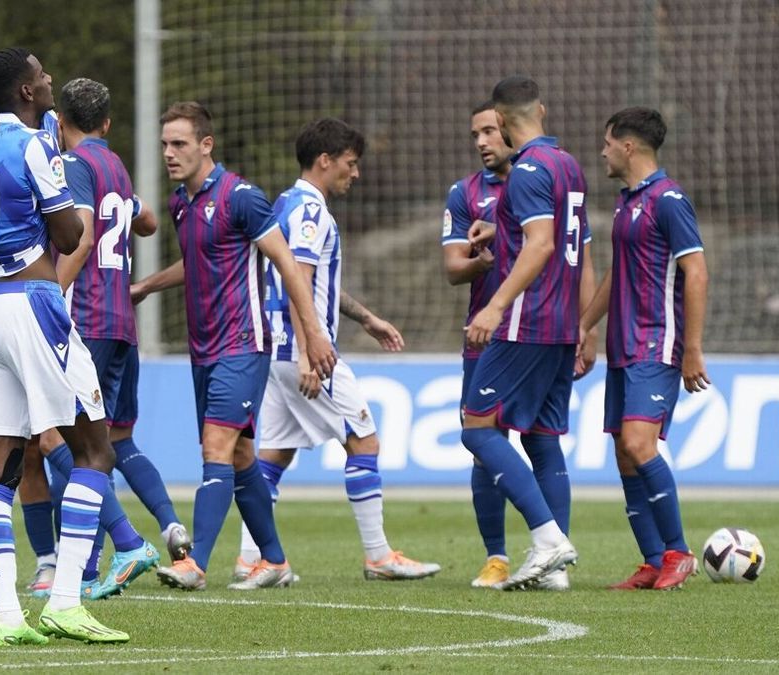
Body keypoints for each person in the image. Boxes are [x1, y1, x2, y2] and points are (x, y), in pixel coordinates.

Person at [0, 46, 129, 644]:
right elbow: (71, 231)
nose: (50, 78)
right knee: (95, 452)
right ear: (26, 92)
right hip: (34, 305)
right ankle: (64, 602)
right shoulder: (34, 145)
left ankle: (9, 618)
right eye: (40, 74)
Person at [132, 101, 337, 591]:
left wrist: (313, 335)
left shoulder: (242, 197)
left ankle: (194, 563)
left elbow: (288, 265)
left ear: (207, 145)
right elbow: (197, 263)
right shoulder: (182, 203)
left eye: (179, 143)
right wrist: (145, 287)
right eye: (164, 144)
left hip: (243, 343)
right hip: (203, 349)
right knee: (242, 456)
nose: (168, 153)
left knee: (216, 447)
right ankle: (275, 560)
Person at [234, 118, 441, 584]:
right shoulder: (310, 212)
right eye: (350, 163)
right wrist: (312, 353)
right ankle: (378, 555)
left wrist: (365, 318)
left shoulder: (284, 203)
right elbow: (299, 279)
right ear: (325, 161)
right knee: (364, 440)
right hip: (304, 351)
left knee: (273, 455)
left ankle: (252, 557)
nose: (356, 173)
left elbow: (311, 280)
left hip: (276, 349)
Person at [27, 77, 190, 600]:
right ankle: (153, 535)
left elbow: (82, 233)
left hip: (88, 318)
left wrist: (51, 293)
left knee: (64, 441)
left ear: (61, 121)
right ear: (107, 123)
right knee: (113, 440)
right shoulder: (114, 165)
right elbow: (144, 219)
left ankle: (113, 549)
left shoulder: (72, 166)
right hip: (123, 320)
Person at [461, 76, 594, 590]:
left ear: (503, 118)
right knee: (542, 439)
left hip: (526, 322)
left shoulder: (527, 171)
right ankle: (553, 572)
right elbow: (566, 235)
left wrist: (495, 306)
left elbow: (540, 245)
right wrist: (504, 228)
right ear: (540, 108)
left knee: (478, 427)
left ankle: (547, 539)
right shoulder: (568, 164)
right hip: (562, 324)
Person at [581, 107, 708, 591]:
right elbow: (618, 272)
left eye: (607, 142)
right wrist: (585, 326)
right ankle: (654, 560)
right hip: (623, 344)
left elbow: (696, 271)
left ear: (628, 146)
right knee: (623, 453)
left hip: (658, 339)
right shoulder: (626, 201)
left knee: (639, 443)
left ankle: (679, 552)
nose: (603, 151)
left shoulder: (669, 200)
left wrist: (692, 348)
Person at [442, 102, 512, 587]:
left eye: (490, 131)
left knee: (543, 442)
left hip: (540, 333)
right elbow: (452, 267)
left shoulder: (547, 179)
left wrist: (585, 330)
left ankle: (554, 550)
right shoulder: (464, 193)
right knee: (484, 445)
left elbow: (579, 256)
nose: (482, 142)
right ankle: (497, 557)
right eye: (476, 134)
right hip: (483, 339)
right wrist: (481, 264)